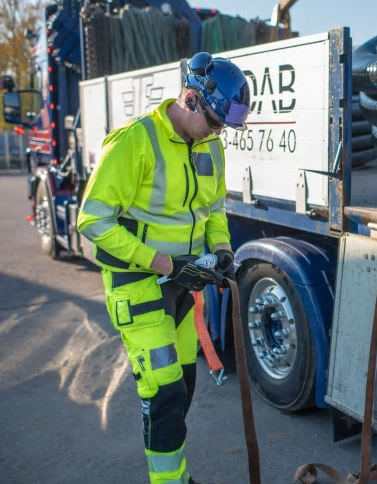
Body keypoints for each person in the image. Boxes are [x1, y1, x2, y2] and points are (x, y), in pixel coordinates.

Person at [77, 52, 251, 484]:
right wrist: (165, 264)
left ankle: (177, 475)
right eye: (213, 122)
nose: (217, 133)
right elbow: (92, 220)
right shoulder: (134, 142)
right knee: (165, 394)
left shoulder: (209, 143)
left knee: (185, 387)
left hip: (181, 285)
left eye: (222, 128)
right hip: (139, 286)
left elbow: (213, 208)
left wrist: (223, 249)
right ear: (190, 100)